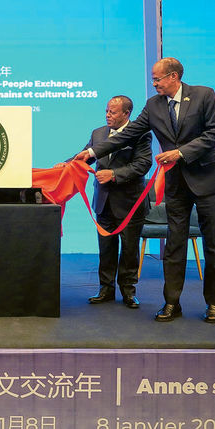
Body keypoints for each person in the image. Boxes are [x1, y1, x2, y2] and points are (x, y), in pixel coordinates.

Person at [74, 57, 215, 323]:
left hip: (209, 181)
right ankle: (172, 303)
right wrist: (90, 153)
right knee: (174, 245)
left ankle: (214, 303)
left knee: (213, 245)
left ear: (173, 76)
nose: (154, 83)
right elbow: (128, 134)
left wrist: (180, 153)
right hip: (177, 184)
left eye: (157, 79)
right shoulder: (154, 105)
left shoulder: (204, 95)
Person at [62, 96, 151, 309]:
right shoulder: (98, 133)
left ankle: (128, 291)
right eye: (106, 111)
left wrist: (113, 174)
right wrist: (65, 165)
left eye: (113, 112)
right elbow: (85, 156)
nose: (107, 115)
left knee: (129, 250)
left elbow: (143, 164)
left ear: (126, 114)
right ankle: (105, 289)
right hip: (103, 201)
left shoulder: (140, 134)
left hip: (130, 203)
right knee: (106, 249)